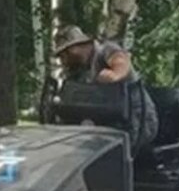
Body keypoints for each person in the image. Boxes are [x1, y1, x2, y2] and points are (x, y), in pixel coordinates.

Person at [52, 25, 158, 155]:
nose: (63, 60)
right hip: (104, 123)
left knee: (110, 153)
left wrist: (114, 75)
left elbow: (121, 61)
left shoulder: (105, 50)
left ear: (75, 48)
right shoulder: (78, 71)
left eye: (65, 54)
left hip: (136, 121)